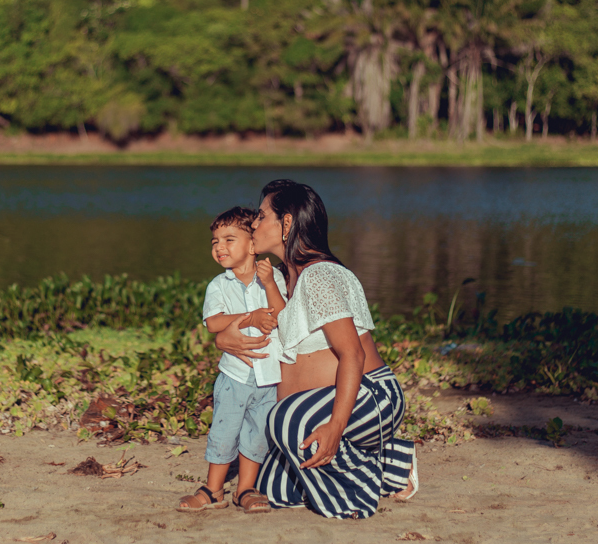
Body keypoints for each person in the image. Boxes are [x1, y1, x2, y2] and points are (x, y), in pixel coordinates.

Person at [215, 179, 418, 519]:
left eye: (262, 216)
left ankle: (389, 468)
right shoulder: (282, 279)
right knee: (272, 489)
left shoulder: (320, 275)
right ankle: (383, 457)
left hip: (370, 397)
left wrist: (336, 426)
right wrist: (224, 339)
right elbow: (255, 326)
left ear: (287, 223)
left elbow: (352, 354)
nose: (253, 223)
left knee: (285, 419)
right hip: (315, 406)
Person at [177, 206, 288, 514]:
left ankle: (245, 490)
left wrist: (268, 285)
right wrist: (250, 317)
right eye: (215, 242)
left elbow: (281, 315)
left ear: (253, 246)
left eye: (229, 239)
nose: (219, 247)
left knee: (257, 434)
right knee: (224, 431)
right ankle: (213, 490)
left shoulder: (274, 276)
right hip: (235, 375)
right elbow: (213, 323)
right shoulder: (219, 285)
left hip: (269, 376)